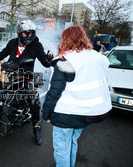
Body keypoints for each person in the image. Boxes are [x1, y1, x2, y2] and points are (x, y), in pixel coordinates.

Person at [42, 25, 112, 167]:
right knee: (72, 143)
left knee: (62, 149)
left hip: (66, 114)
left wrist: (46, 114)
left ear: (66, 40)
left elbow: (54, 91)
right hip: (88, 113)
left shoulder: (65, 61)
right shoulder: (97, 57)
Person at [0, 20, 53, 145]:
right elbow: (3, 53)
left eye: (31, 33)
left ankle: (36, 129)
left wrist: (49, 59)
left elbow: (45, 62)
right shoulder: (12, 43)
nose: (29, 36)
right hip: (8, 75)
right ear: (19, 33)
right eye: (25, 34)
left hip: (26, 77)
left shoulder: (37, 45)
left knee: (33, 102)